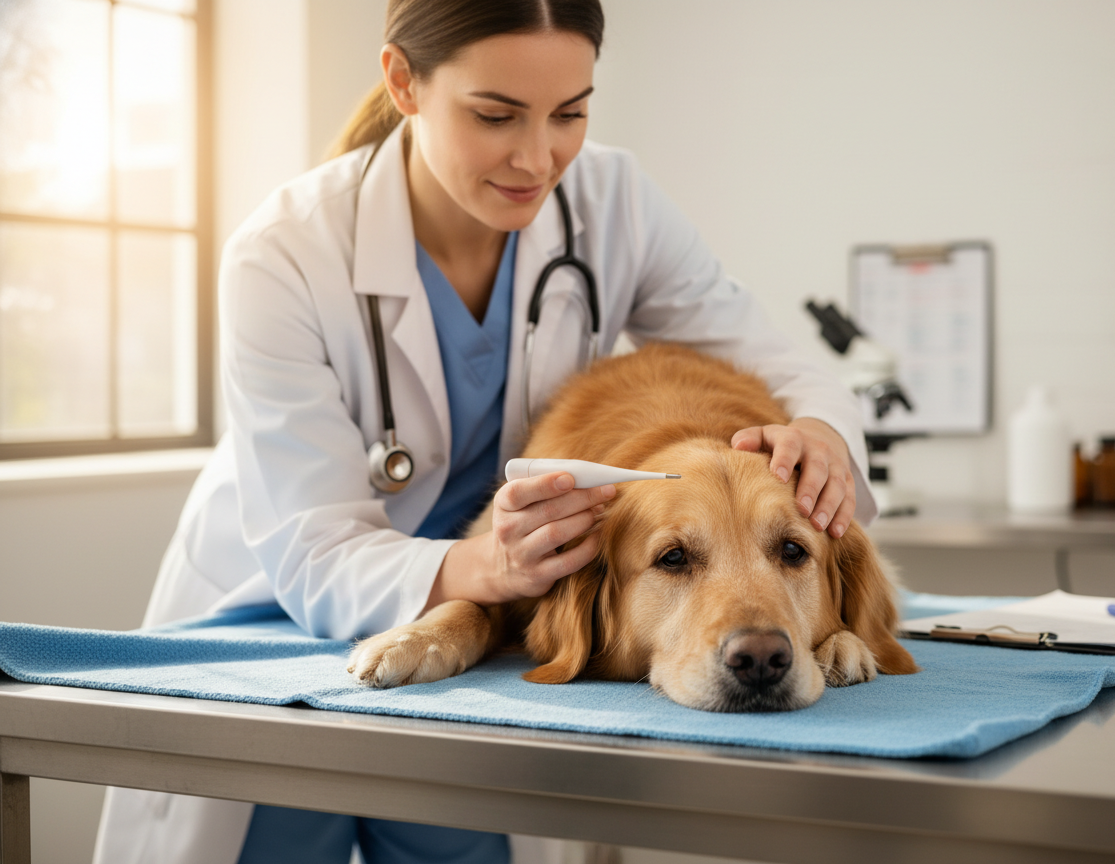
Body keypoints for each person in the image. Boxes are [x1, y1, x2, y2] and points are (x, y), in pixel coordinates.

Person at [94, 1, 876, 862]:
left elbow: (783, 370)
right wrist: (486, 567)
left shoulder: (612, 204)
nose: (539, 157)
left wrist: (822, 432)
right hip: (278, 620)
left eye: (570, 112)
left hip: (484, 640)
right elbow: (313, 550)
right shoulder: (282, 254)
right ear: (404, 83)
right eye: (495, 115)